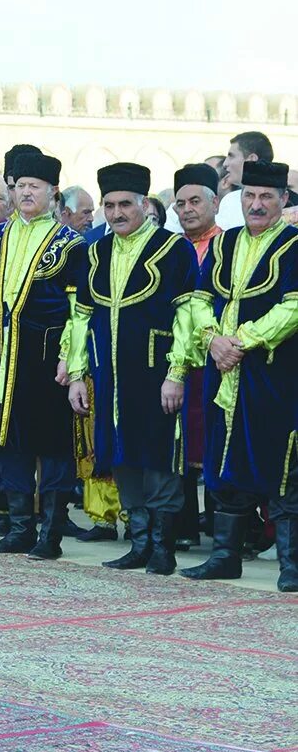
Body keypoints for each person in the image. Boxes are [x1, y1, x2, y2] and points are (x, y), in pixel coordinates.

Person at [64, 163, 198, 576]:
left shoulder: (173, 249)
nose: (117, 212)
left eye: (125, 204)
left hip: (156, 374)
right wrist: (75, 374)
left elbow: (189, 315)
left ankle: (162, 547)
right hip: (109, 376)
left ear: (143, 205)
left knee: (158, 456)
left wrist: (177, 373)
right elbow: (80, 317)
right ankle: (138, 541)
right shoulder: (95, 250)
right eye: (109, 205)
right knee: (121, 455)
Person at [179, 160, 298, 591]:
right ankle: (225, 557)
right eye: (250, 195)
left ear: (284, 200)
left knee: (281, 467)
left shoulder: (293, 244)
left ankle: (292, 566)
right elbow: (198, 297)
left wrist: (240, 341)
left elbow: (293, 307)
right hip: (221, 372)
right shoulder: (225, 243)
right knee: (223, 463)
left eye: (267, 196)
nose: (257, 204)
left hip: (272, 375)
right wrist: (212, 340)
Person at [0, 151, 88, 559]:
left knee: (52, 445)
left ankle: (50, 535)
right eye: (21, 187)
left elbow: (79, 311)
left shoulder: (70, 244)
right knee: (8, 442)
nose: (27, 193)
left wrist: (72, 357)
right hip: (3, 359)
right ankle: (19, 529)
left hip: (49, 359)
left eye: (36, 187)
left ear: (53, 193)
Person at [170, 163, 223, 547]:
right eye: (181, 203)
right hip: (179, 363)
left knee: (220, 442)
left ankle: (232, 530)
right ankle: (185, 526)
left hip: (220, 360)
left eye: (195, 201)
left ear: (215, 202)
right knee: (180, 442)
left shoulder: (230, 245)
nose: (187, 209)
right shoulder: (171, 250)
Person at [216, 131, 272, 231]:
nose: (225, 163)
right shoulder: (229, 200)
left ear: (251, 160)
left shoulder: (289, 204)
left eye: (231, 156)